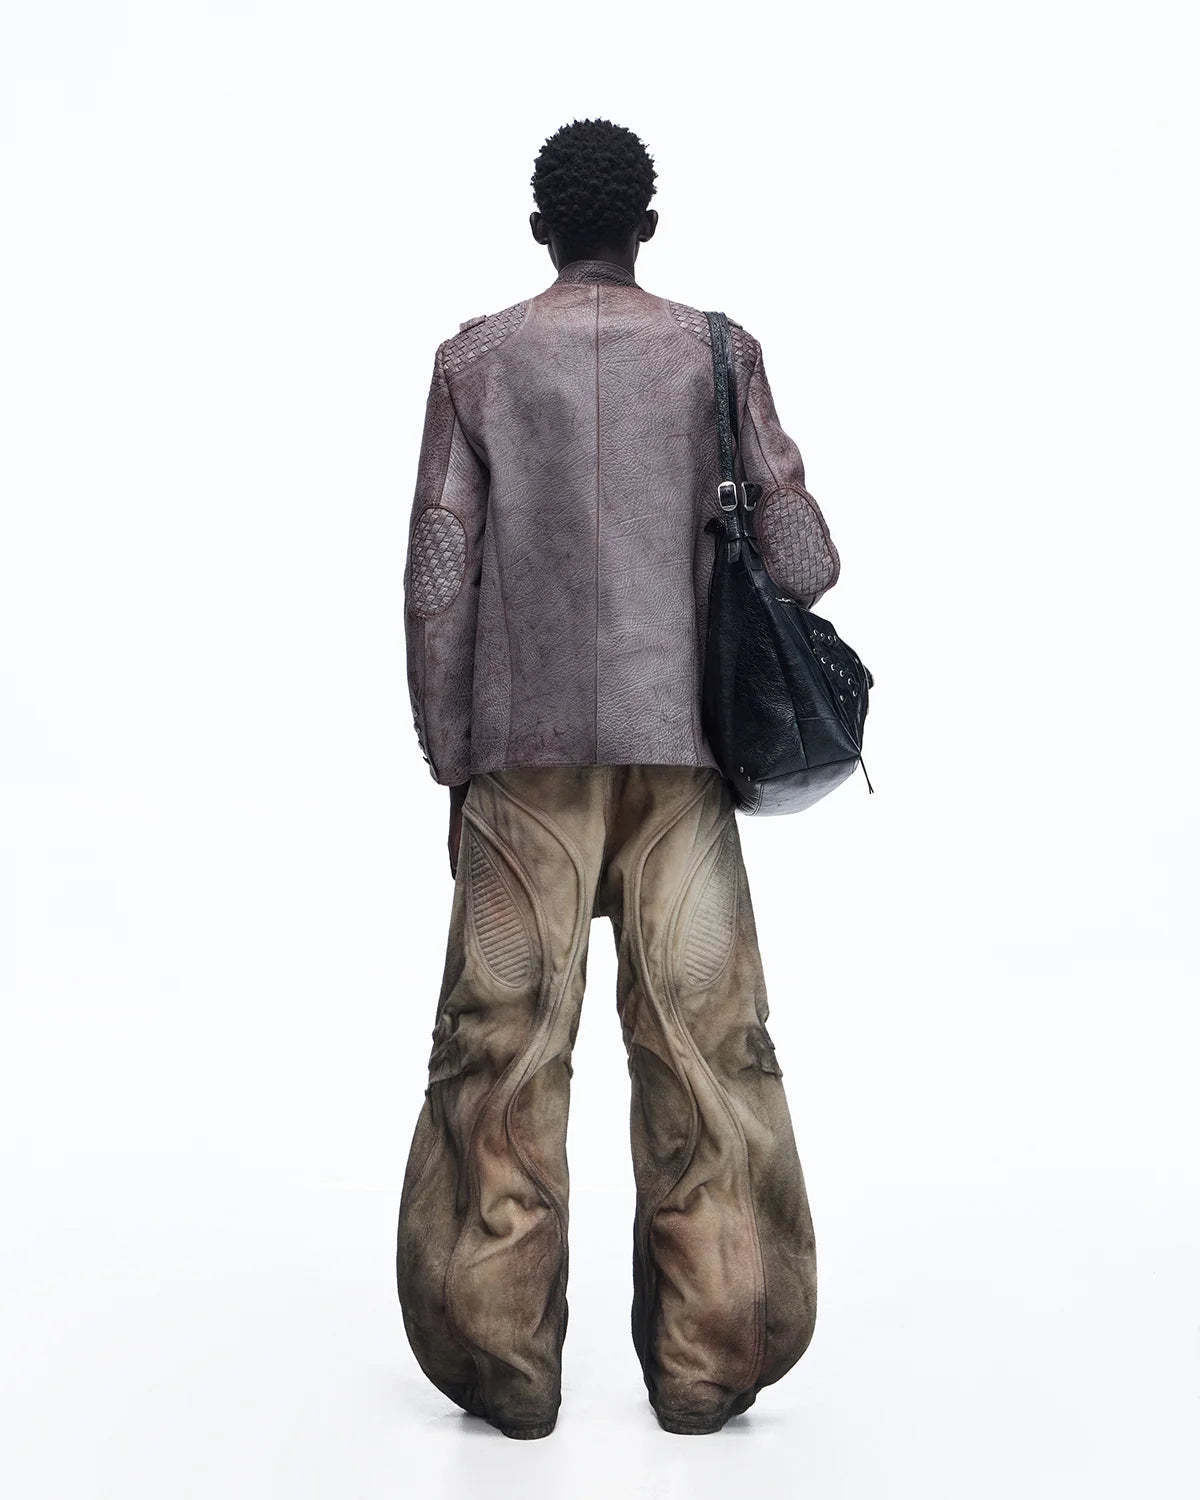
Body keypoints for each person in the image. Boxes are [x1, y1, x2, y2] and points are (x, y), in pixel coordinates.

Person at [396, 119, 841, 1440]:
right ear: (647, 226)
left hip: (520, 768)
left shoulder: (474, 363)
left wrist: (454, 762)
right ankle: (710, 1366)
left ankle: (503, 1368)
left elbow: (437, 579)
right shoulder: (717, 352)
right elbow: (806, 564)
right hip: (682, 764)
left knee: (501, 1061)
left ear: (541, 227)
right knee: (708, 1058)